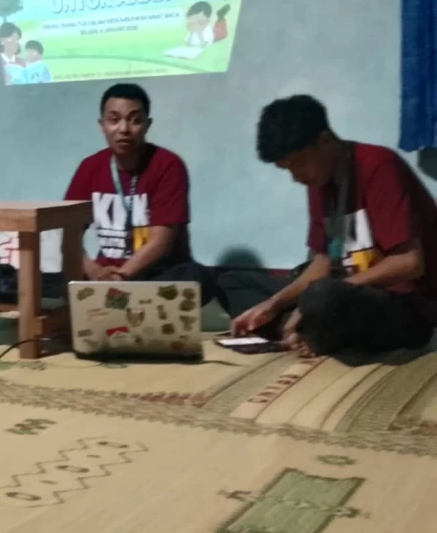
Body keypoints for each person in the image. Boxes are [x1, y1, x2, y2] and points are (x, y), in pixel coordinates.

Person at [228, 95, 437, 356]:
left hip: (404, 307)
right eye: (287, 169)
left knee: (322, 297)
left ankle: (307, 327)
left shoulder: (378, 165)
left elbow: (409, 263)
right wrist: (274, 303)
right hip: (345, 292)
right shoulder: (319, 180)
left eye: (298, 164)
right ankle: (303, 328)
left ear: (325, 140)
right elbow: (323, 263)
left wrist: (314, 301)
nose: (296, 178)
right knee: (233, 282)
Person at [64, 83, 216, 303]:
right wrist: (94, 272)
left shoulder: (168, 165)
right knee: (42, 275)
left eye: (135, 120)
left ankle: (113, 304)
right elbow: (68, 233)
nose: (124, 129)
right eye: (114, 120)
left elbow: (160, 241)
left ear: (147, 125)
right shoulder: (90, 167)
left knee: (196, 278)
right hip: (103, 274)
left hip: (154, 275)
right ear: (102, 125)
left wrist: (120, 278)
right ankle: (112, 303)